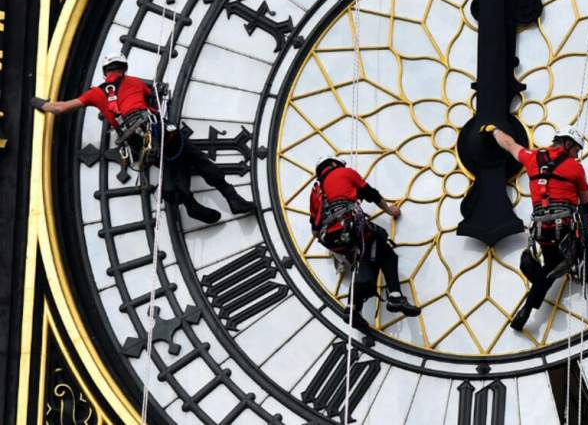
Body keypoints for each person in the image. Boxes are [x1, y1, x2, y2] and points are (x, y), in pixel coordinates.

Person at [31, 53, 254, 224]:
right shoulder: (136, 82)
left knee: (172, 164)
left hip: (140, 145)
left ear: (105, 72)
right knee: (196, 158)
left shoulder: (95, 93)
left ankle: (189, 202)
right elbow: (153, 99)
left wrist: (37, 103)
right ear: (123, 69)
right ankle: (231, 198)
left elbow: (60, 108)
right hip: (159, 132)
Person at [484, 124, 588, 331]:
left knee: (550, 269)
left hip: (542, 232)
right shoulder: (575, 168)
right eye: (576, 150)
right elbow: (585, 203)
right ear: (568, 144)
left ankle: (524, 313)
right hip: (566, 230)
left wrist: (493, 129)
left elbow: (509, 144)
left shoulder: (532, 158)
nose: (577, 155)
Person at [309, 153, 420, 330]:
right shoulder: (345, 173)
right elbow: (371, 193)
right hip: (350, 226)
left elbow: (314, 230)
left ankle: (352, 308)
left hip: (332, 239)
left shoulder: (316, 190)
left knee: (365, 256)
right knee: (386, 251)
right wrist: (390, 211)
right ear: (335, 163)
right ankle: (395, 296)